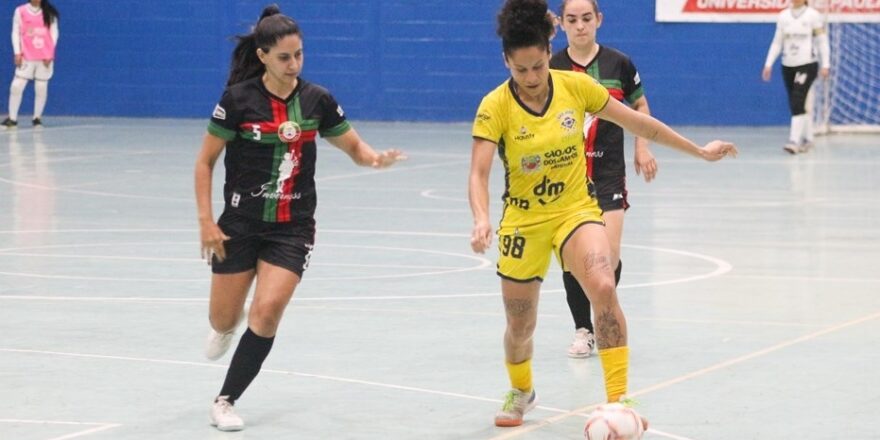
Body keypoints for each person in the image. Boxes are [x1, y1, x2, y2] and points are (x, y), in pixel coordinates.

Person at [468, 0, 737, 430]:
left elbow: (641, 124)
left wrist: (699, 151)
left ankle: (619, 400)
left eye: (538, 66)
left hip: (575, 210)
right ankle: (521, 390)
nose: (533, 79)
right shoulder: (494, 105)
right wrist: (482, 218)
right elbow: (478, 172)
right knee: (520, 326)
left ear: (547, 50)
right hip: (523, 221)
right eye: (521, 71)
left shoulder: (575, 87)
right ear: (506, 62)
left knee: (603, 283)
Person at [195, 5, 404, 432]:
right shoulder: (238, 101)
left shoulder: (316, 101)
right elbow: (204, 163)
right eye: (285, 57)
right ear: (263, 56)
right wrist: (206, 222)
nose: (294, 65)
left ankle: (226, 398)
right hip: (239, 223)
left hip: (292, 226)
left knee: (268, 311)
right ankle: (225, 327)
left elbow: (355, 148)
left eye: (300, 55)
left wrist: (374, 159)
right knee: (223, 319)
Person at [550, 0, 657, 359]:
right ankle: (584, 329)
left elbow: (640, 107)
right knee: (571, 261)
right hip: (567, 179)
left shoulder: (619, 64)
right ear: (560, 23)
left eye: (586, 18)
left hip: (609, 174)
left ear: (599, 20)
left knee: (607, 259)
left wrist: (643, 147)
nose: (580, 26)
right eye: (571, 19)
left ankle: (603, 312)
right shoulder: (551, 68)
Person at [762, 0, 830, 154]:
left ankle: (794, 141)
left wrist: (826, 64)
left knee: (797, 99)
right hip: (788, 64)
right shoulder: (783, 16)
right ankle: (809, 138)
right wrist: (769, 63)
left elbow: (822, 41)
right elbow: (777, 42)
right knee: (796, 103)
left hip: (807, 64)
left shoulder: (813, 16)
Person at [2, 0, 59, 129]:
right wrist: (17, 52)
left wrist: (50, 53)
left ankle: (37, 118)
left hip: (44, 57)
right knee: (16, 86)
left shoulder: (49, 12)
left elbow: (54, 33)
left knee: (41, 87)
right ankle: (12, 119)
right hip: (27, 56)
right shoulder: (20, 11)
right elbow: (15, 32)